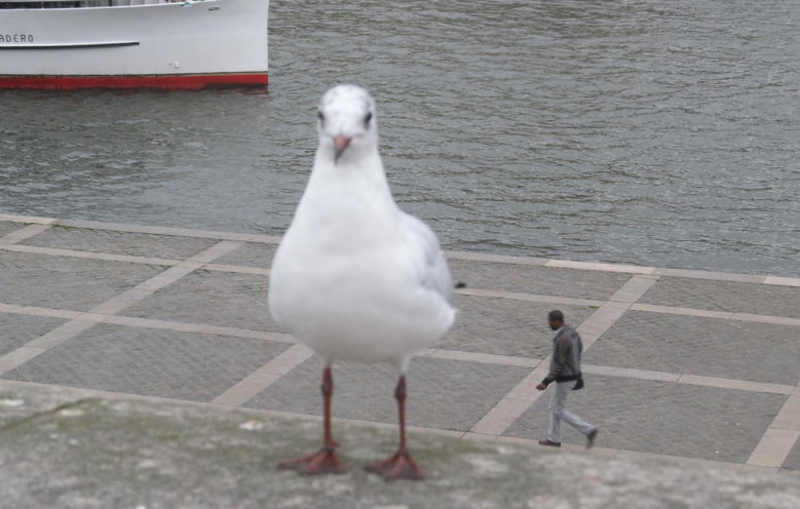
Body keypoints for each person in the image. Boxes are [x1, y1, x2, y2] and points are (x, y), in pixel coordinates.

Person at [535, 310, 599, 449]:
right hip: (572, 375)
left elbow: (559, 363)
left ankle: (588, 430)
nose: (549, 324)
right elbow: (579, 350)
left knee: (558, 409)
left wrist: (546, 381)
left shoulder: (563, 339)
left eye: (550, 321)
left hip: (565, 378)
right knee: (554, 407)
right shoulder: (572, 333)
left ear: (557, 321)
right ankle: (553, 439)